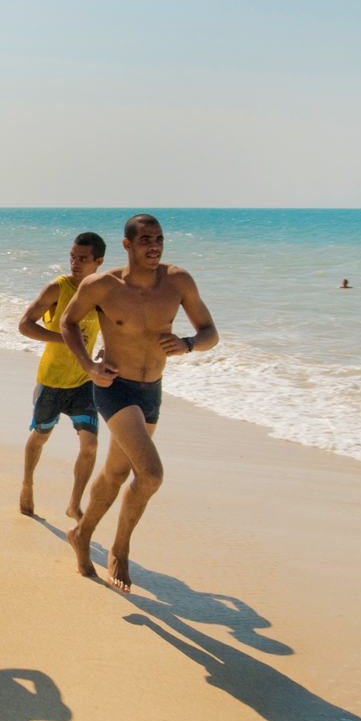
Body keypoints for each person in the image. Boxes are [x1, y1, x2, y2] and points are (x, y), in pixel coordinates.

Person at [60, 214, 218, 593]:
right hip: (115, 387)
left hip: (152, 391)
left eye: (159, 238)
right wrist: (88, 366)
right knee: (150, 475)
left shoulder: (178, 281)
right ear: (127, 245)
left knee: (116, 474)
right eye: (146, 239)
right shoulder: (103, 285)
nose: (155, 245)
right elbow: (68, 322)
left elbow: (210, 332)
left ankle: (81, 535)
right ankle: (120, 550)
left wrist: (188, 344)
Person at [17, 232, 106, 518]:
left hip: (84, 381)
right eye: (72, 257)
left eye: (83, 259)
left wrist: (109, 351)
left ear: (98, 262)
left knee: (90, 446)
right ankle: (27, 482)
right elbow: (25, 325)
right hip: (52, 381)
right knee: (41, 436)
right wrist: (63, 337)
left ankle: (75, 504)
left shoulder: (105, 293)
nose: (75, 263)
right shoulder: (58, 288)